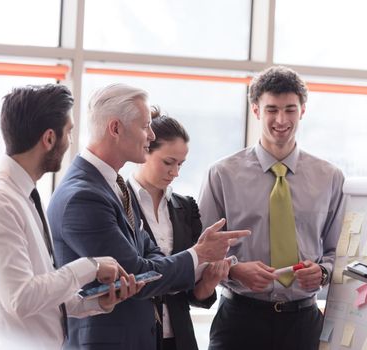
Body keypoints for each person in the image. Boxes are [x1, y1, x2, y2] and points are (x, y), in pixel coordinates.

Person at [47, 83, 250, 350]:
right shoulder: (84, 195)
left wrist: (151, 266)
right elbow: (137, 273)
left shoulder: (111, 184)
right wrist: (198, 253)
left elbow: (149, 254)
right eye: (145, 126)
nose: (150, 134)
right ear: (116, 128)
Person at [0, 84, 143, 349]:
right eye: (69, 132)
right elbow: (21, 298)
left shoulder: (26, 194)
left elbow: (42, 286)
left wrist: (96, 302)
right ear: (49, 139)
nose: (71, 143)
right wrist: (91, 266)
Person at [198, 66, 346, 350]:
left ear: (302, 110)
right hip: (239, 321)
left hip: (304, 323)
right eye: (271, 110)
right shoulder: (222, 174)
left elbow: (338, 252)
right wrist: (235, 270)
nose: (281, 120)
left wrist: (323, 272)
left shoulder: (330, 177)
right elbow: (202, 251)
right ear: (255, 110)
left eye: (290, 109)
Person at [128, 108, 229, 350]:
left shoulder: (185, 208)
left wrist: (208, 283)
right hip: (134, 335)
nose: (175, 173)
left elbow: (191, 291)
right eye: (168, 162)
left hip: (179, 338)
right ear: (145, 151)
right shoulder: (120, 203)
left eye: (181, 164)